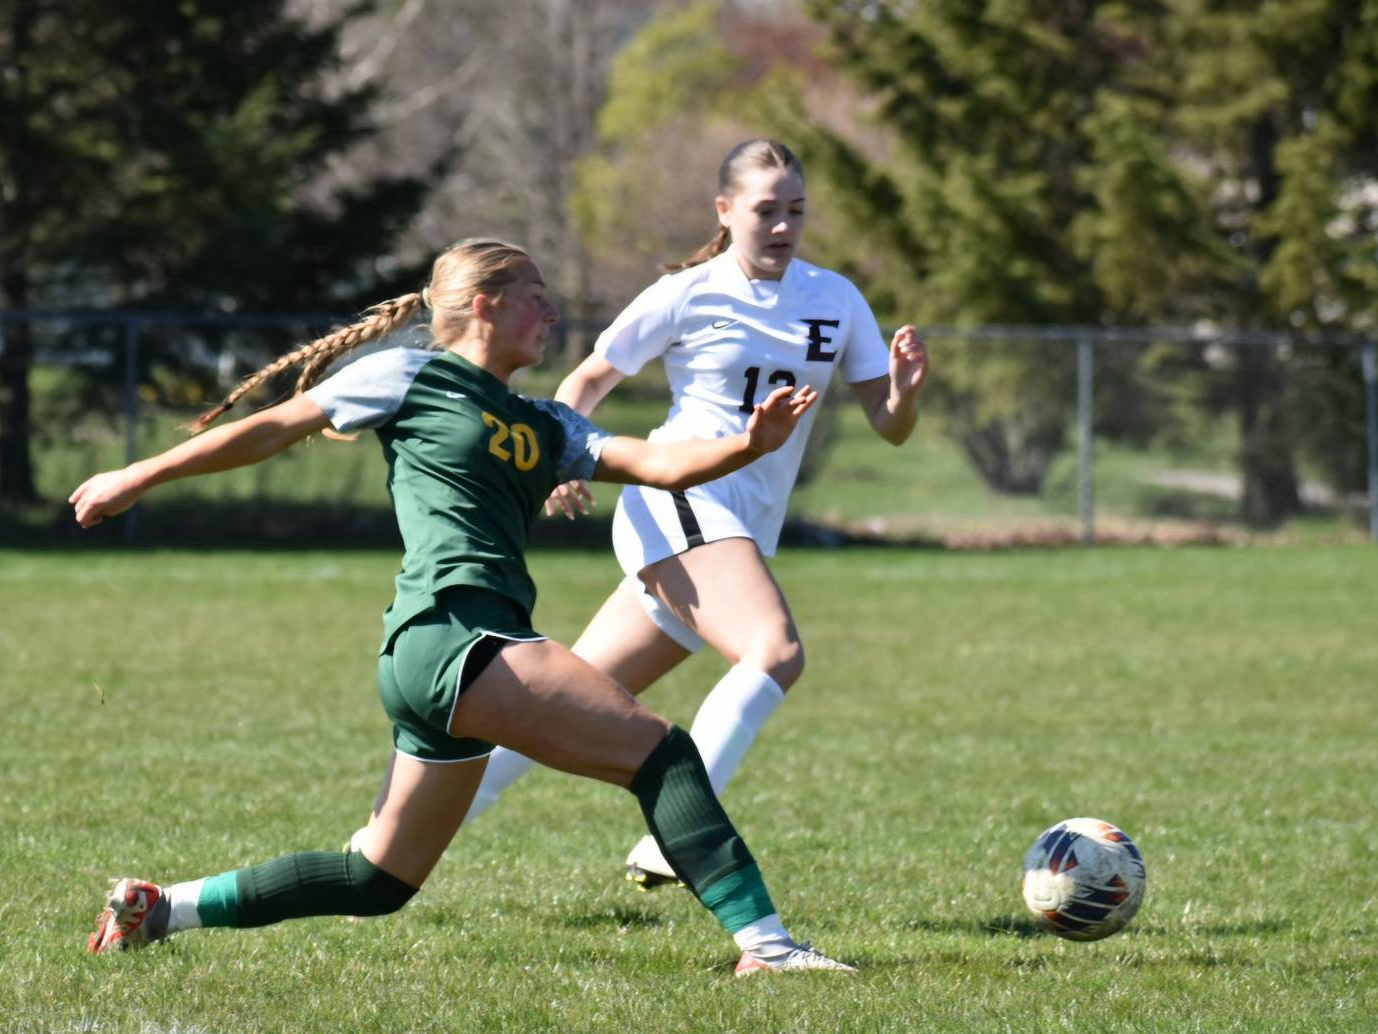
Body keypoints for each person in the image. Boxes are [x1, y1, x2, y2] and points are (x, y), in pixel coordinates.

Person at [72, 238, 853, 977]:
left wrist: (751, 445)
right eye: (537, 301)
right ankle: (768, 947)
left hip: (441, 656)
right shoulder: (411, 377)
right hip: (458, 633)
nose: (551, 317)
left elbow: (655, 461)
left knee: (376, 878)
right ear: (485, 305)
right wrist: (138, 475)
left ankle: (160, 908)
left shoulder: (546, 421)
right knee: (662, 755)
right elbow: (276, 426)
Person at [456, 140, 930, 889]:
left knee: (559, 705)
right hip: (676, 499)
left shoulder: (836, 298)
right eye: (766, 210)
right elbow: (589, 376)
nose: (783, 226)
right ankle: (679, 832)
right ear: (725, 211)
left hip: (732, 531)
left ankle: (392, 837)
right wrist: (562, 459)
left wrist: (903, 390)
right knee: (774, 650)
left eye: (796, 211)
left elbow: (891, 424)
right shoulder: (688, 291)